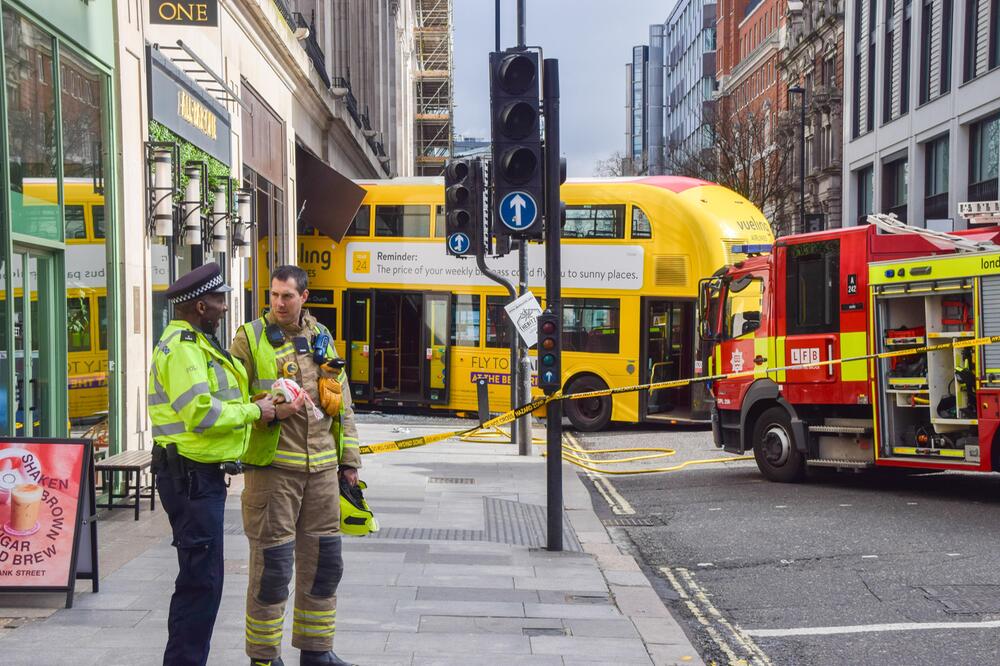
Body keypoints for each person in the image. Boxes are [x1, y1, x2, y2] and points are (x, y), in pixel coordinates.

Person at [231, 265, 362, 666]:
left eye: (287, 296)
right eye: (273, 295)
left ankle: (317, 651)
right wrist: (269, 409)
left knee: (325, 564)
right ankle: (264, 658)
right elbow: (232, 405)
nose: (279, 303)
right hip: (273, 474)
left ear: (304, 296)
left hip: (322, 473)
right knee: (272, 569)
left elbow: (344, 402)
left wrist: (350, 461)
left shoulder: (321, 336)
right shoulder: (249, 338)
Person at [147, 262, 276, 666]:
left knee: (203, 580)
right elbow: (200, 415)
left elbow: (214, 403)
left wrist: (251, 405)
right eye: (219, 301)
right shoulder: (184, 349)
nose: (224, 307)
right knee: (200, 583)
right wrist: (256, 413)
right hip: (190, 478)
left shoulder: (196, 344)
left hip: (195, 477)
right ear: (201, 305)